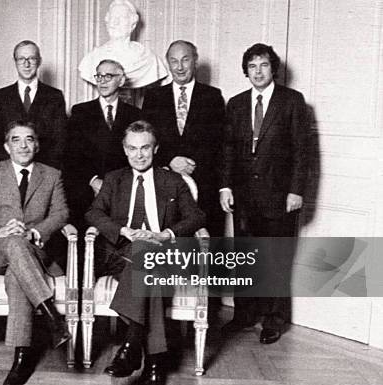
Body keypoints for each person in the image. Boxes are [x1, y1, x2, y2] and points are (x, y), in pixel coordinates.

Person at [85, 120, 205, 385]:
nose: (139, 155)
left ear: (156, 148)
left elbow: (197, 216)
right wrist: (123, 230)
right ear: (125, 150)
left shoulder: (172, 181)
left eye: (145, 148)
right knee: (144, 255)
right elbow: (93, 213)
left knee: (149, 256)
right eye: (132, 148)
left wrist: (167, 234)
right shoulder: (114, 179)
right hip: (121, 253)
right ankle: (154, 365)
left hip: (163, 252)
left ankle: (131, 346)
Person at [0, 121, 70, 385]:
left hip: (34, 249)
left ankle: (21, 358)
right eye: (16, 140)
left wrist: (34, 232)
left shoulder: (51, 175)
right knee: (12, 242)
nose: (23, 145)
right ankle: (51, 316)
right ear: (6, 146)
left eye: (29, 139)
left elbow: (61, 214)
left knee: (17, 273)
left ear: (37, 144)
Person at [219, 43, 309, 344]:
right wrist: (226, 186)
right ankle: (244, 314)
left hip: (279, 195)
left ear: (274, 69)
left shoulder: (292, 101)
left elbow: (302, 151)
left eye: (264, 65)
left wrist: (296, 190)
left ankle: (273, 319)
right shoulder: (236, 103)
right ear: (246, 70)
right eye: (252, 66)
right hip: (244, 196)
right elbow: (228, 149)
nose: (258, 71)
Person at [142, 40, 226, 236]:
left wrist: (191, 164)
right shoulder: (154, 97)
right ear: (168, 64)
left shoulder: (213, 96)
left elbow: (220, 143)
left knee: (207, 251)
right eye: (174, 61)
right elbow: (146, 140)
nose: (179, 67)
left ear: (195, 61)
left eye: (185, 60)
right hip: (164, 184)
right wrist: (170, 160)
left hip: (204, 185)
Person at [65, 59, 141, 226]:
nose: (102, 81)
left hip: (123, 191)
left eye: (108, 76)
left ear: (121, 80)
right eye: (99, 76)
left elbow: (138, 157)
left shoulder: (135, 115)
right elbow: (72, 155)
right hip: (87, 190)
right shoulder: (80, 112)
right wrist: (93, 180)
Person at [0, 40, 67, 169]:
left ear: (39, 61)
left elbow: (59, 141)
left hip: (44, 171)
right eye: (21, 59)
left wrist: (38, 170)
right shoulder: (0, 97)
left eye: (31, 58)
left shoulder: (55, 97)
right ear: (15, 62)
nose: (26, 64)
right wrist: (14, 168)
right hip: (9, 172)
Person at [78, 0, 167, 88]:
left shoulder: (148, 58)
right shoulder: (92, 58)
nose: (115, 22)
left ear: (133, 24)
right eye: (112, 17)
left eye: (122, 18)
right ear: (107, 21)